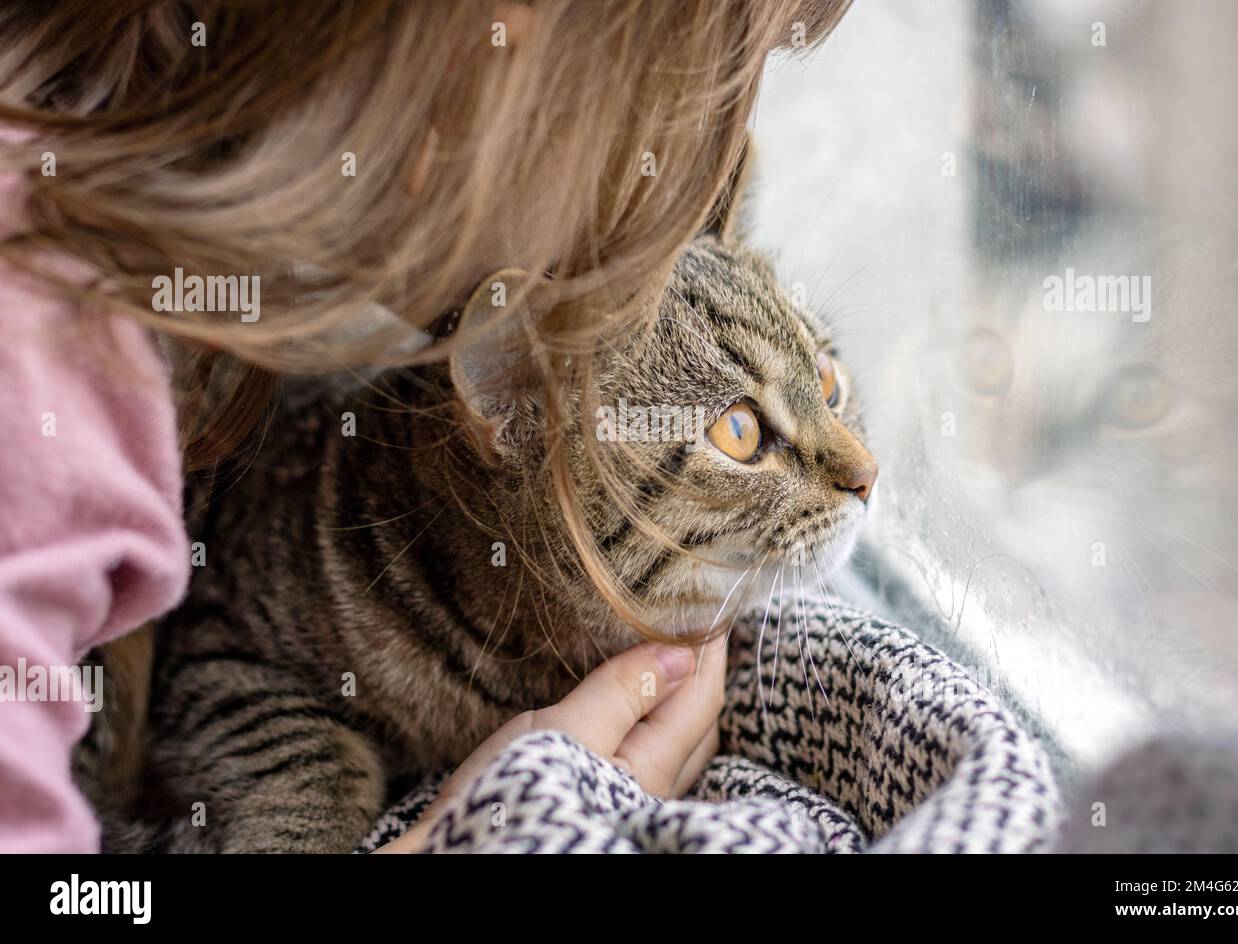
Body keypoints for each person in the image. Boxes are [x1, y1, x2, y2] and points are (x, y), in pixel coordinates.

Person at [0, 0, 848, 853]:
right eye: (704, 101)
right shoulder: (42, 365)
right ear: (508, 40)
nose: (718, 168)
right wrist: (456, 839)